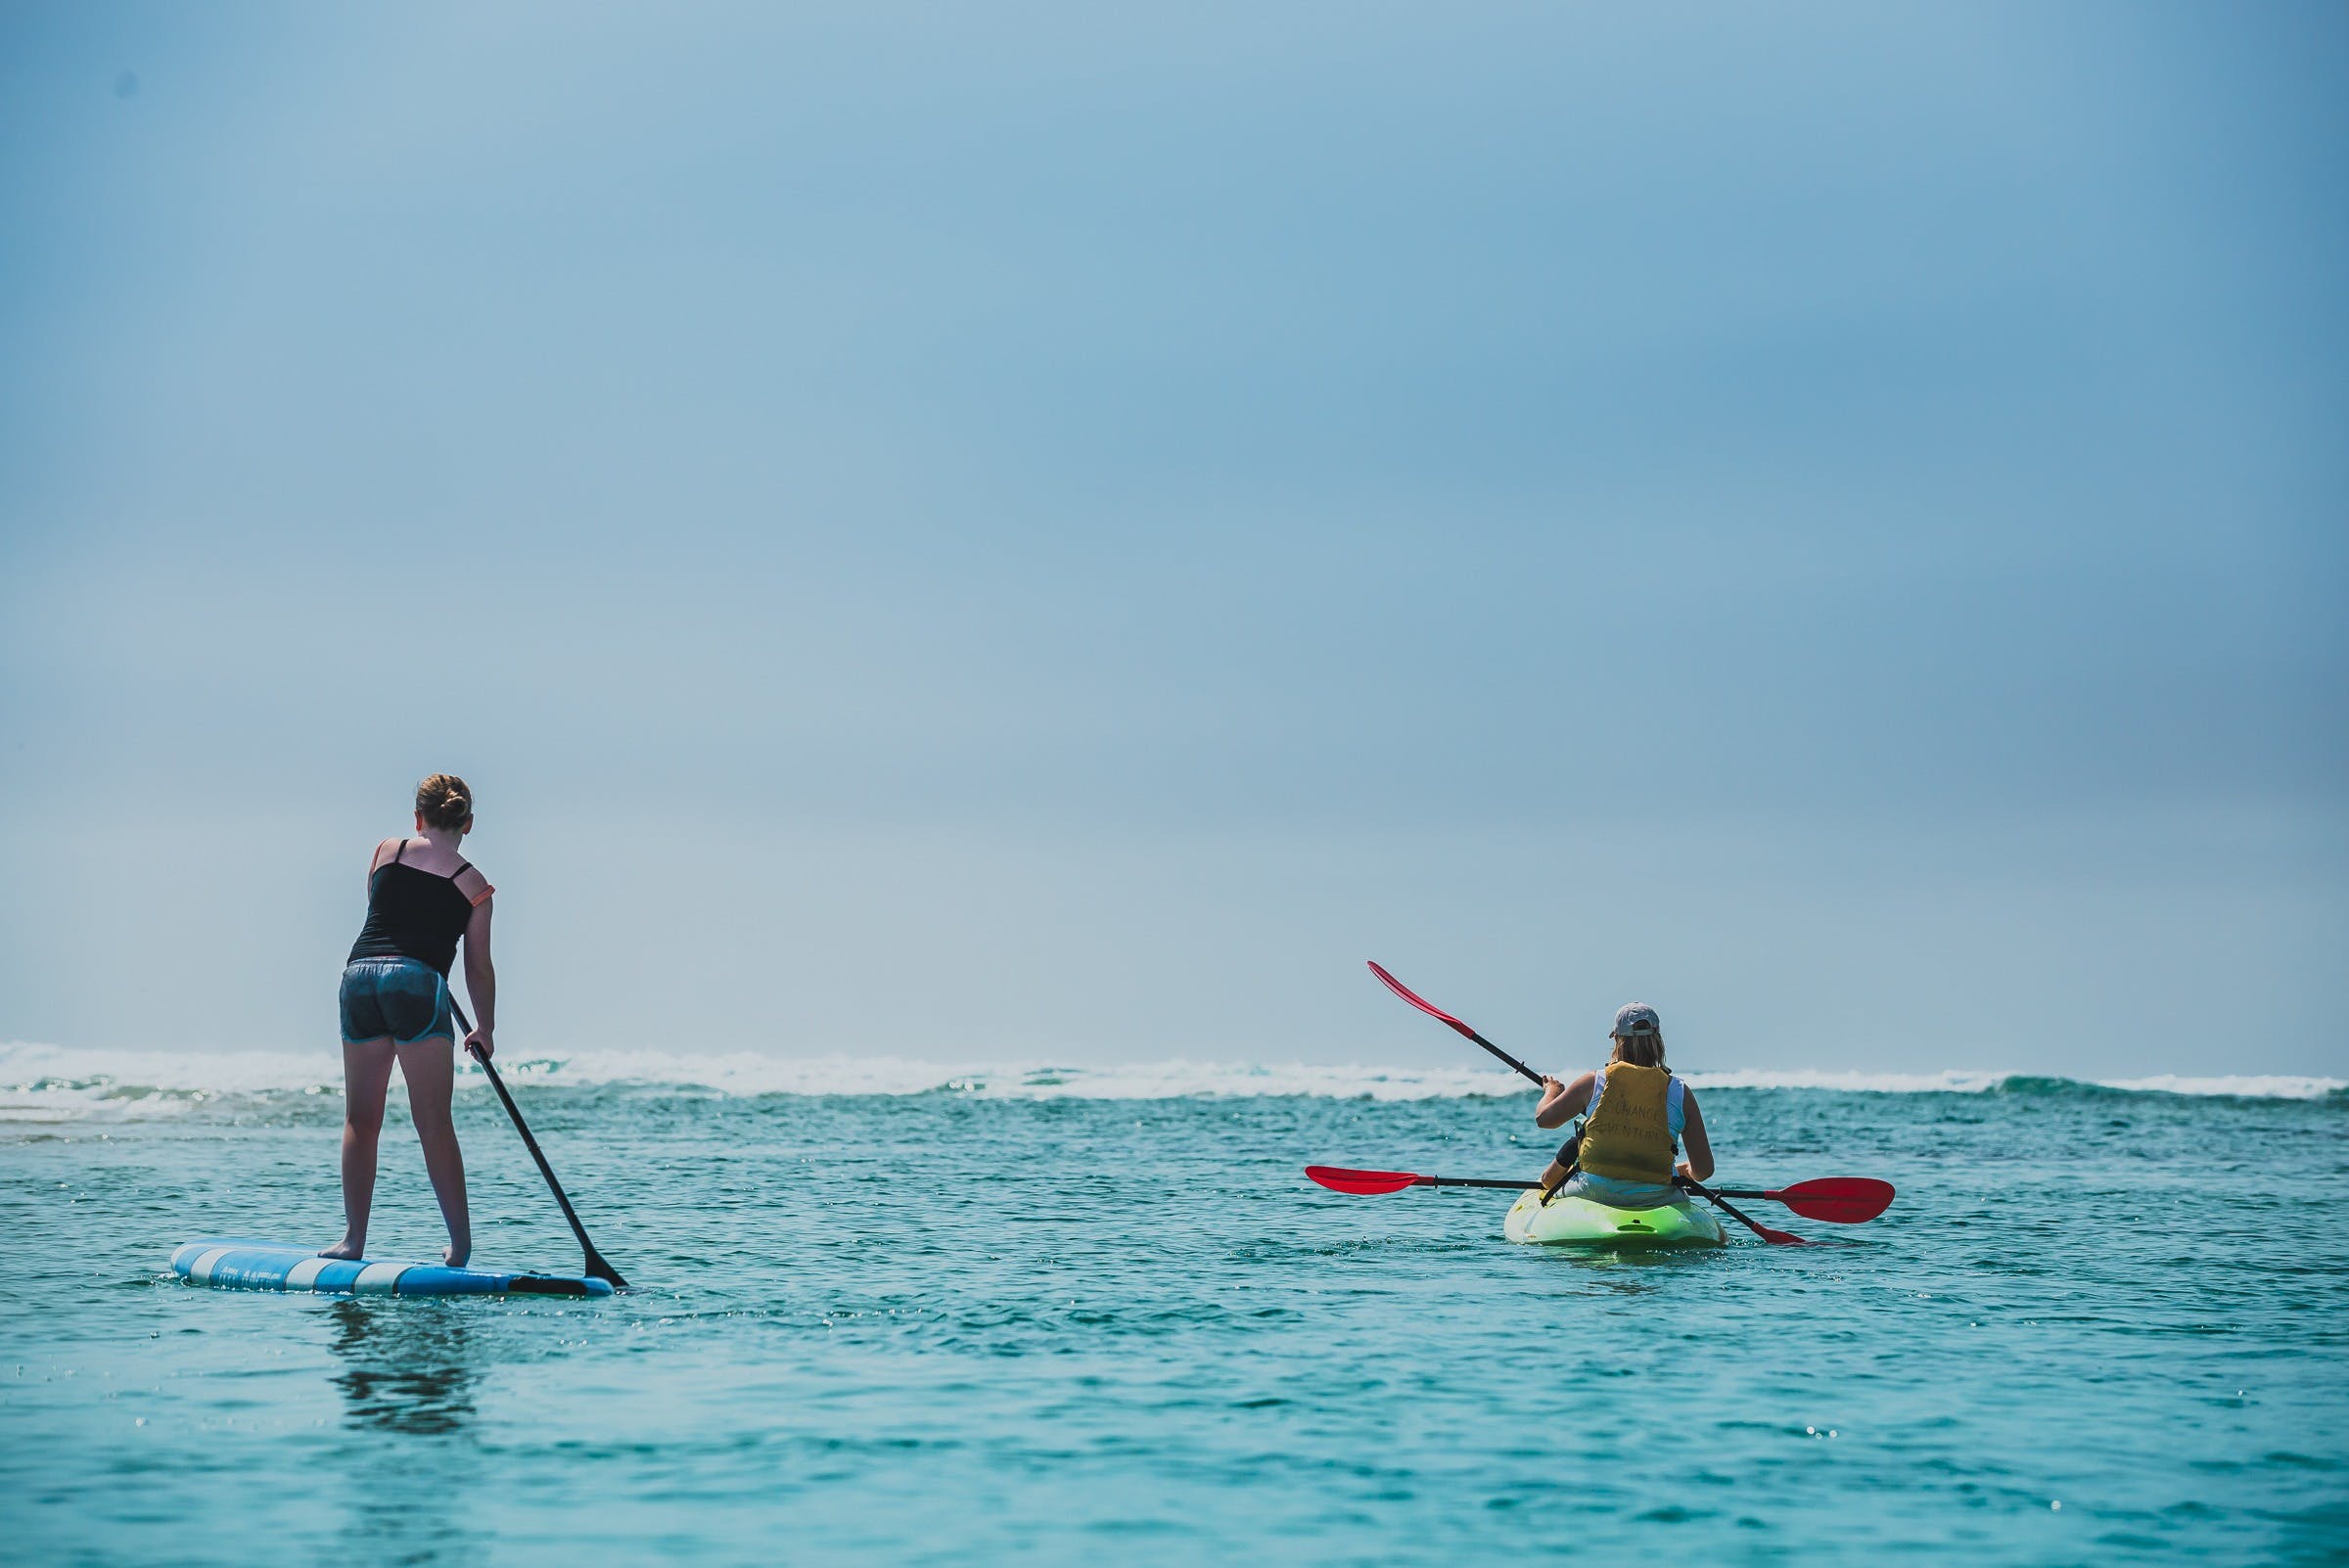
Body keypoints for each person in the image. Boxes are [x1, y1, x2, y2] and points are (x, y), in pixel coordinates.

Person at [323, 774, 496, 1266]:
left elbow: (382, 912)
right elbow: (477, 967)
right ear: (468, 823)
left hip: (360, 978)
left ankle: (353, 1240)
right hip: (416, 983)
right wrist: (484, 1028)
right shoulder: (475, 886)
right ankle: (459, 1246)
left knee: (361, 1118)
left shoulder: (386, 851)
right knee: (434, 1122)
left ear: (418, 819)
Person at [1529, 1002, 1712, 1209]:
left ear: (1617, 1039)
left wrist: (1551, 1091)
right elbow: (1704, 1171)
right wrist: (1685, 1171)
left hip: (1593, 1191)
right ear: (1658, 1040)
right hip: (1657, 1196)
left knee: (1552, 1176)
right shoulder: (1680, 1092)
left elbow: (1544, 1120)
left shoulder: (1593, 1082)